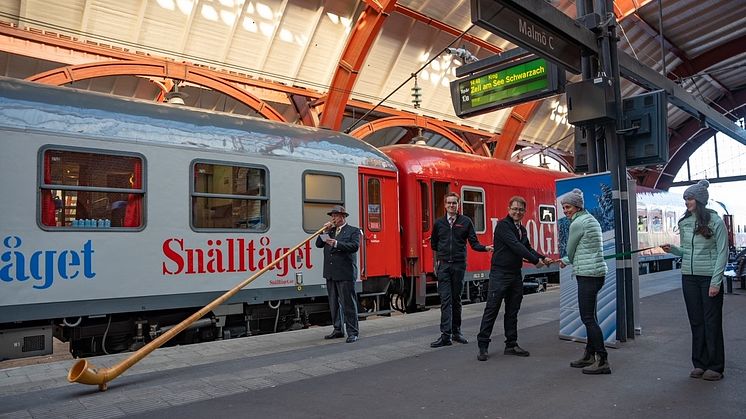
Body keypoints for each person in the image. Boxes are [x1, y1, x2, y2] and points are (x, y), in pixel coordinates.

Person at [661, 180, 727, 381]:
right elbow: (686, 251)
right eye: (685, 199)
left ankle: (715, 366)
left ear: (699, 200)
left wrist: (716, 282)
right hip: (688, 277)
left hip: (708, 278)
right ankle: (699, 363)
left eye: (689, 199)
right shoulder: (685, 222)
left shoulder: (715, 222)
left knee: (711, 322)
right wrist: (672, 250)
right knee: (696, 321)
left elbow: (722, 253)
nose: (686, 203)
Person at [476, 196, 550, 361]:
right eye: (515, 209)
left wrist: (543, 257)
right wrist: (535, 261)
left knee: (512, 311)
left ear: (524, 212)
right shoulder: (503, 226)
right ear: (509, 209)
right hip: (500, 274)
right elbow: (515, 246)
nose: (517, 212)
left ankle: (511, 344)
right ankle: (483, 345)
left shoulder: (521, 229)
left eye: (521, 209)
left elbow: (526, 247)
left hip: (515, 274)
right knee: (492, 309)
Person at [430, 192, 493, 348]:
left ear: (458, 205)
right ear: (445, 205)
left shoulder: (466, 222)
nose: (452, 206)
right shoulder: (439, 223)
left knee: (456, 300)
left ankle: (456, 332)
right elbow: (434, 244)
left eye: (454, 203)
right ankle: (446, 336)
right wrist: (441, 258)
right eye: (449, 203)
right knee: (446, 300)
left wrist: (485, 248)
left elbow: (474, 243)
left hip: (459, 266)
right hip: (444, 266)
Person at [558, 188, 611, 375]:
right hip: (596, 273)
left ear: (577, 206)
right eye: (564, 207)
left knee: (588, 318)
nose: (565, 211)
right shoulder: (591, 220)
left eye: (568, 207)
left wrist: (564, 261)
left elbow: (571, 250)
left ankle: (602, 359)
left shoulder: (577, 223)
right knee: (592, 316)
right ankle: (589, 354)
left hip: (587, 275)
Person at [315, 205, 362, 343]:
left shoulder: (353, 231)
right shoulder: (330, 231)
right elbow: (318, 244)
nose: (333, 218)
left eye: (335, 216)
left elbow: (354, 246)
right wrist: (324, 231)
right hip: (330, 273)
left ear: (343, 217)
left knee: (348, 303)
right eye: (332, 216)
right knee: (334, 303)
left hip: (345, 272)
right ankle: (338, 329)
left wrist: (336, 243)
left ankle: (353, 332)